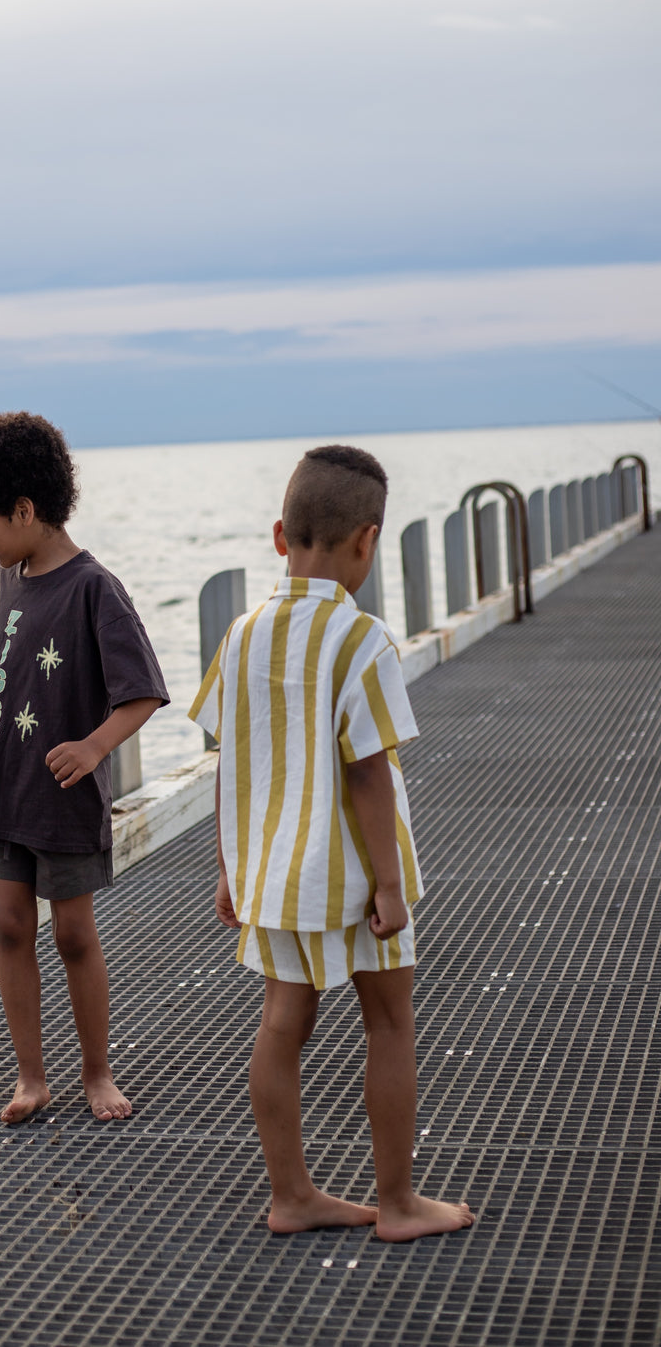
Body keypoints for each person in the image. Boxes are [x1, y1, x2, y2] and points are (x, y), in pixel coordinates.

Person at [190, 444, 474, 1242]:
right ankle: (397, 1202)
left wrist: (228, 868)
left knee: (283, 1023)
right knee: (389, 1023)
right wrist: (388, 883)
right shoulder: (363, 641)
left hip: (275, 877)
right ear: (367, 541)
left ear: (281, 535)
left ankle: (292, 1194)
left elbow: (229, 764)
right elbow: (368, 773)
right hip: (352, 872)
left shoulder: (241, 636)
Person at [0, 411, 168, 1125]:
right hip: (0, 788)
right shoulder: (11, 575)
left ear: (25, 509)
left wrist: (96, 747)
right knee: (10, 926)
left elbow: (143, 692)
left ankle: (96, 1072)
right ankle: (31, 1078)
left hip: (61, 797)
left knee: (73, 934)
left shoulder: (96, 589)